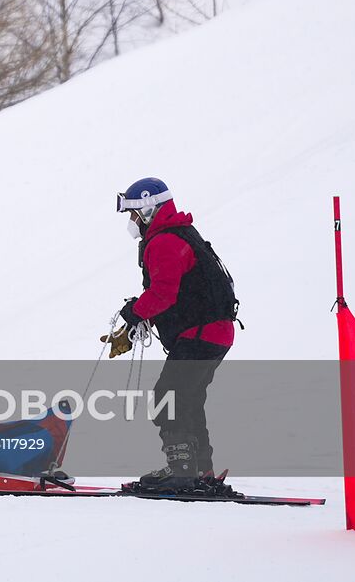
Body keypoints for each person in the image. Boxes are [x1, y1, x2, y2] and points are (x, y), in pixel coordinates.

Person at [112, 178, 239, 495]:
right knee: (187, 400)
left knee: (168, 398)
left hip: (200, 333)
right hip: (214, 333)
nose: (131, 222)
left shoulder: (165, 242)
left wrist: (133, 314)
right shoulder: (180, 235)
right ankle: (199, 470)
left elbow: (163, 294)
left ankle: (182, 471)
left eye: (133, 215)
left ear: (148, 209)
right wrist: (140, 311)